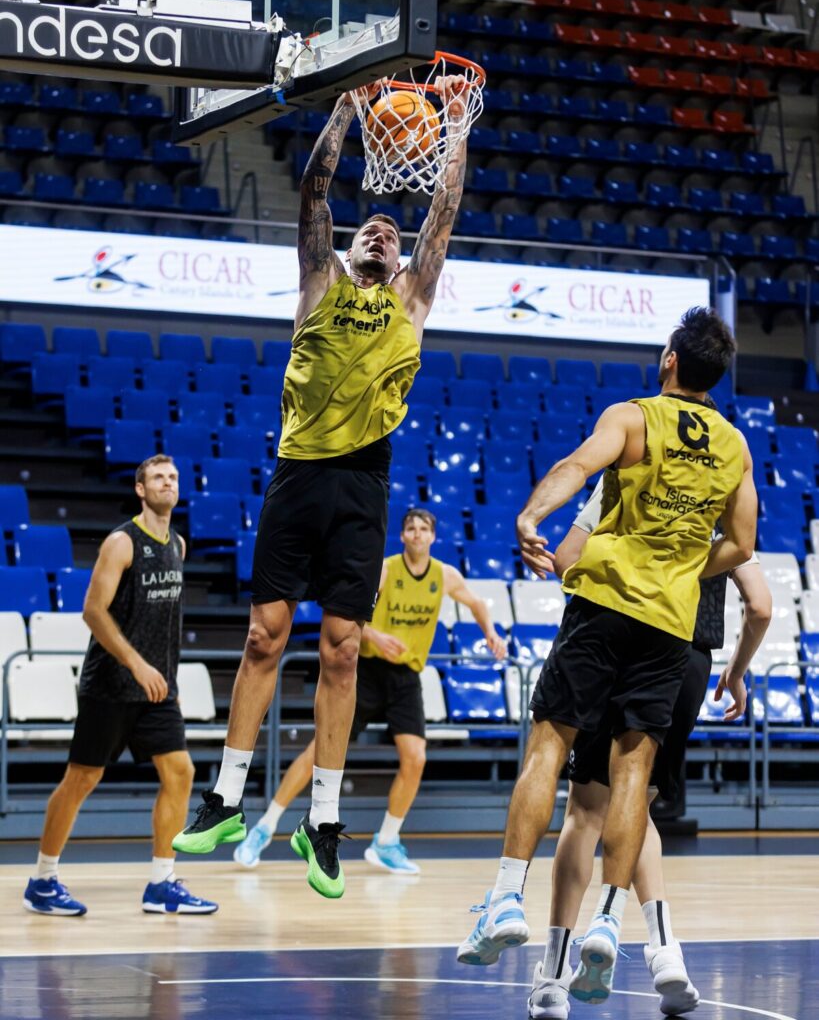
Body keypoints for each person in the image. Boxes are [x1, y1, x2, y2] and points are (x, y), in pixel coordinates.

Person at [173, 76, 472, 901]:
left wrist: (450, 127)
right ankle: (226, 798)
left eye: (391, 231)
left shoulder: (413, 299)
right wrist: (345, 109)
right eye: (369, 226)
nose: (382, 229)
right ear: (346, 246)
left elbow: (443, 206)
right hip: (298, 474)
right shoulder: (320, 281)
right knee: (264, 638)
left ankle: (325, 823)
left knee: (340, 649)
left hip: (362, 484)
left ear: (403, 257)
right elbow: (313, 188)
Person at [457, 307, 757, 1008]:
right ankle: (610, 921)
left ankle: (506, 897)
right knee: (632, 778)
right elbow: (742, 545)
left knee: (548, 750)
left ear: (669, 360)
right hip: (668, 625)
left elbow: (575, 466)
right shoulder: (734, 444)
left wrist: (530, 516)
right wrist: (681, 566)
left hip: (601, 609)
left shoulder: (633, 415)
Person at [527, 476, 771, 1020]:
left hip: (620, 641)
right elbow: (760, 605)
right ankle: (666, 955)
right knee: (638, 802)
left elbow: (567, 557)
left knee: (588, 808)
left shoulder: (626, 477)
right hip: (689, 659)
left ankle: (552, 978)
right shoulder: (717, 494)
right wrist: (734, 674)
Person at [233, 507, 508, 873]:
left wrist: (490, 632)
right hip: (366, 673)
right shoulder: (385, 569)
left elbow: (476, 602)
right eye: (410, 528)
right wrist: (373, 634)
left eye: (423, 529)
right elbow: (347, 613)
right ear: (403, 535)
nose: (417, 534)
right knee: (319, 750)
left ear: (433, 537)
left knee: (416, 758)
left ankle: (387, 841)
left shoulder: (445, 575)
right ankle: (265, 828)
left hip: (406, 678)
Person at [23, 455, 216, 917]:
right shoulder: (121, 542)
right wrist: (135, 664)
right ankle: (43, 879)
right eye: (157, 478)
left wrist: (167, 678)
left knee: (181, 772)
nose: (167, 483)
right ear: (139, 488)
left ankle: (161, 883)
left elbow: (165, 622)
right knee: (82, 779)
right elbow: (93, 610)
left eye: (173, 476)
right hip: (111, 684)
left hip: (156, 690)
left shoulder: (178, 544)